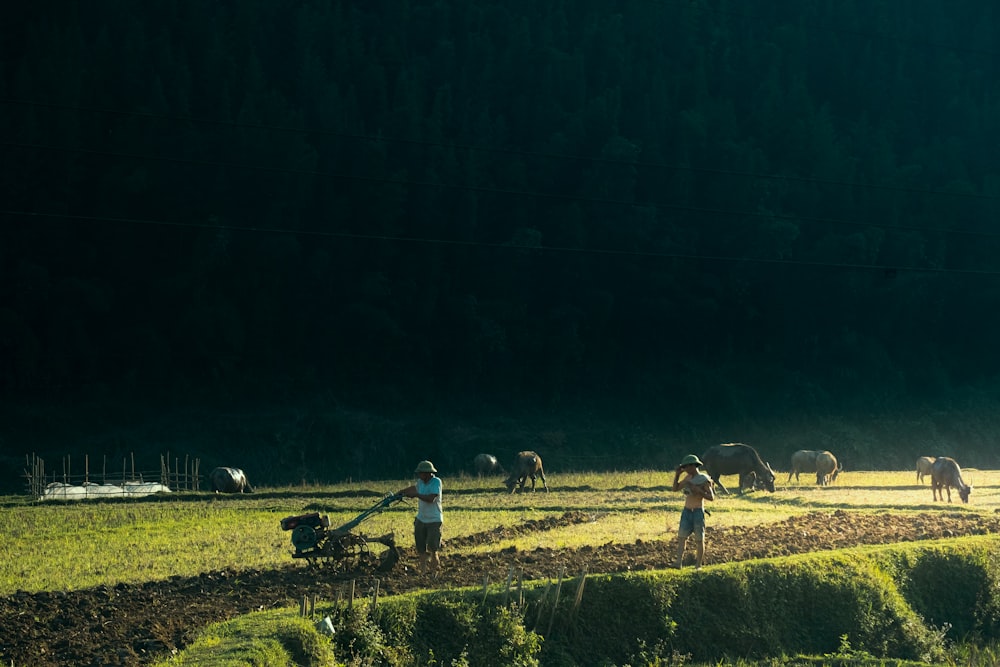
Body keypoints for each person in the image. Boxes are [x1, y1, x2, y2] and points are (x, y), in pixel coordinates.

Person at [396, 460, 443, 575]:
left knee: (433, 548)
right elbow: (414, 488)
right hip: (421, 519)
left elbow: (431, 498)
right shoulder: (420, 482)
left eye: (421, 473)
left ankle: (433, 573)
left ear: (427, 473)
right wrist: (400, 493)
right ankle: (423, 572)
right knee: (420, 548)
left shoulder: (436, 482)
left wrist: (416, 495)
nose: (419, 475)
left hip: (434, 520)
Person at [671, 453, 715, 569]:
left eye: (686, 467)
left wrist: (698, 490)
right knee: (681, 537)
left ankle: (698, 565)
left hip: (697, 512)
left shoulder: (704, 479)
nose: (685, 469)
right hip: (687, 511)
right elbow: (675, 488)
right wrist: (677, 475)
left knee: (699, 539)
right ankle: (678, 562)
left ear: (693, 466)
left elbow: (711, 497)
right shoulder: (687, 478)